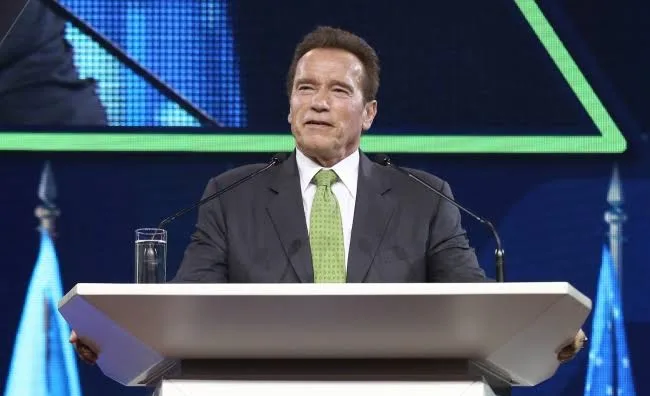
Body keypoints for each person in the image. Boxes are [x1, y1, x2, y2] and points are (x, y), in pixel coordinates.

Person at [71, 25, 586, 364]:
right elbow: (186, 309)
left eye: (339, 91)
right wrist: (116, 337)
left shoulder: (425, 198)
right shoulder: (230, 195)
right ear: (289, 106)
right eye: (305, 88)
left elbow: (474, 304)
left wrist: (542, 336)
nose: (318, 103)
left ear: (369, 113)